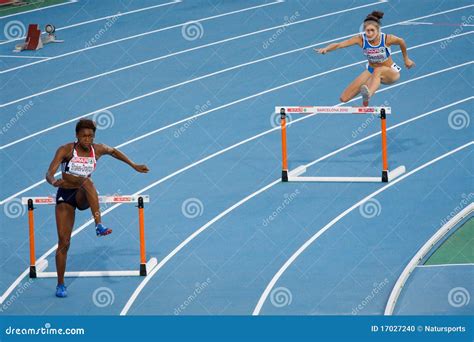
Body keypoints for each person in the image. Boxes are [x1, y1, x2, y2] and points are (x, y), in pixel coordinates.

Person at [45, 119, 149, 297]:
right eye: (84, 136)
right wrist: (54, 182)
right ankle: (60, 284)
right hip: (66, 195)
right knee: (64, 243)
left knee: (87, 181)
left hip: (84, 195)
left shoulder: (97, 149)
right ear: (77, 136)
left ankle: (98, 224)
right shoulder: (66, 150)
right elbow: (49, 172)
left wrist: (134, 165)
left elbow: (114, 151)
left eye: (91, 136)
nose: (87, 139)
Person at [316, 11, 415, 106]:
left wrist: (406, 59)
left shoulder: (387, 39)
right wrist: (326, 49)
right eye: (367, 30)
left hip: (390, 72)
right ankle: (367, 93)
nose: (370, 33)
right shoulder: (360, 39)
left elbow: (401, 41)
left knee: (379, 70)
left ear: (378, 30)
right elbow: (339, 45)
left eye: (372, 30)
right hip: (371, 70)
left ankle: (368, 95)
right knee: (344, 98)